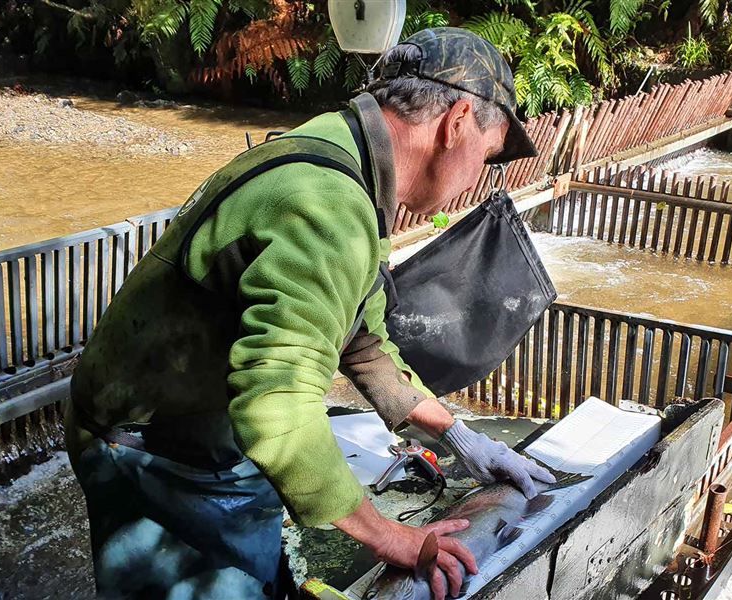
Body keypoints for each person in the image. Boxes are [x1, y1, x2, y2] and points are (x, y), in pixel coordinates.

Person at [64, 27, 555, 600]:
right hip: (151, 448)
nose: (478, 180)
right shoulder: (327, 202)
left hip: (206, 422)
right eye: (489, 158)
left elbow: (363, 340)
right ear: (456, 122)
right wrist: (387, 536)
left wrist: (463, 438)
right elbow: (277, 403)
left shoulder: (343, 159)